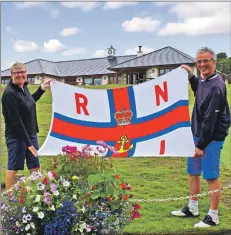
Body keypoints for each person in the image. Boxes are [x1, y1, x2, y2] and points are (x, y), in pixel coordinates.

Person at [171, 47, 231, 228]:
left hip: (211, 137)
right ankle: (193, 207)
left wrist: (201, 145)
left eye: (206, 61)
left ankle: (213, 216)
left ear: (214, 62)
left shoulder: (217, 86)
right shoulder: (205, 81)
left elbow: (210, 120)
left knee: (211, 175)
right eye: (199, 62)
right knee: (193, 172)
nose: (203, 64)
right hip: (197, 134)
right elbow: (199, 89)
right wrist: (191, 76)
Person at [1, 62, 52, 191]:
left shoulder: (24, 87)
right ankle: (7, 199)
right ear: (11, 75)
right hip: (16, 137)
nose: (20, 75)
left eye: (22, 72)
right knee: (13, 168)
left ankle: (37, 194)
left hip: (31, 135)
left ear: (26, 74)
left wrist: (42, 88)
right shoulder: (9, 94)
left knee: (35, 167)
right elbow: (16, 121)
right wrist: (29, 144)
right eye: (17, 73)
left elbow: (30, 102)